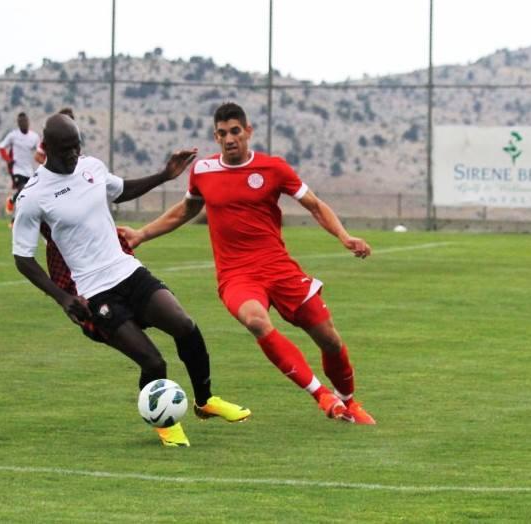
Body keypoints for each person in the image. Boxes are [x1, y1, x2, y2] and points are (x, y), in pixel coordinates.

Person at [120, 102, 376, 425]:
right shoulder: (203, 171)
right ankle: (321, 394)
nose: (230, 139)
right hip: (236, 276)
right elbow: (186, 210)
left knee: (330, 339)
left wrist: (344, 236)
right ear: (216, 136)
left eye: (235, 131)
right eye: (222, 133)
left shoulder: (274, 168)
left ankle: (349, 401)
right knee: (256, 320)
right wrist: (142, 234)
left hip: (280, 269)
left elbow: (314, 205)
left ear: (248, 131)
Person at [12, 113, 250, 447]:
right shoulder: (33, 196)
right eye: (66, 149)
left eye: (77, 146)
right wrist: (63, 298)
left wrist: (164, 175)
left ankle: (205, 400)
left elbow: (121, 190)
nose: (73, 154)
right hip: (95, 292)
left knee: (184, 325)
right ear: (47, 147)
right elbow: (23, 258)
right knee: (153, 362)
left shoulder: (91, 167)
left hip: (128, 271)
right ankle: (165, 424)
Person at [0, 112, 41, 215]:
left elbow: (40, 151)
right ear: (18, 123)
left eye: (25, 121)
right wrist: (8, 160)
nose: (23, 124)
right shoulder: (13, 135)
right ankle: (15, 209)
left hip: (29, 170)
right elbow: (1, 147)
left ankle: (13, 202)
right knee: (23, 189)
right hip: (17, 169)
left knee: (28, 195)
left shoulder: (34, 137)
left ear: (28, 122)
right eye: (21, 122)